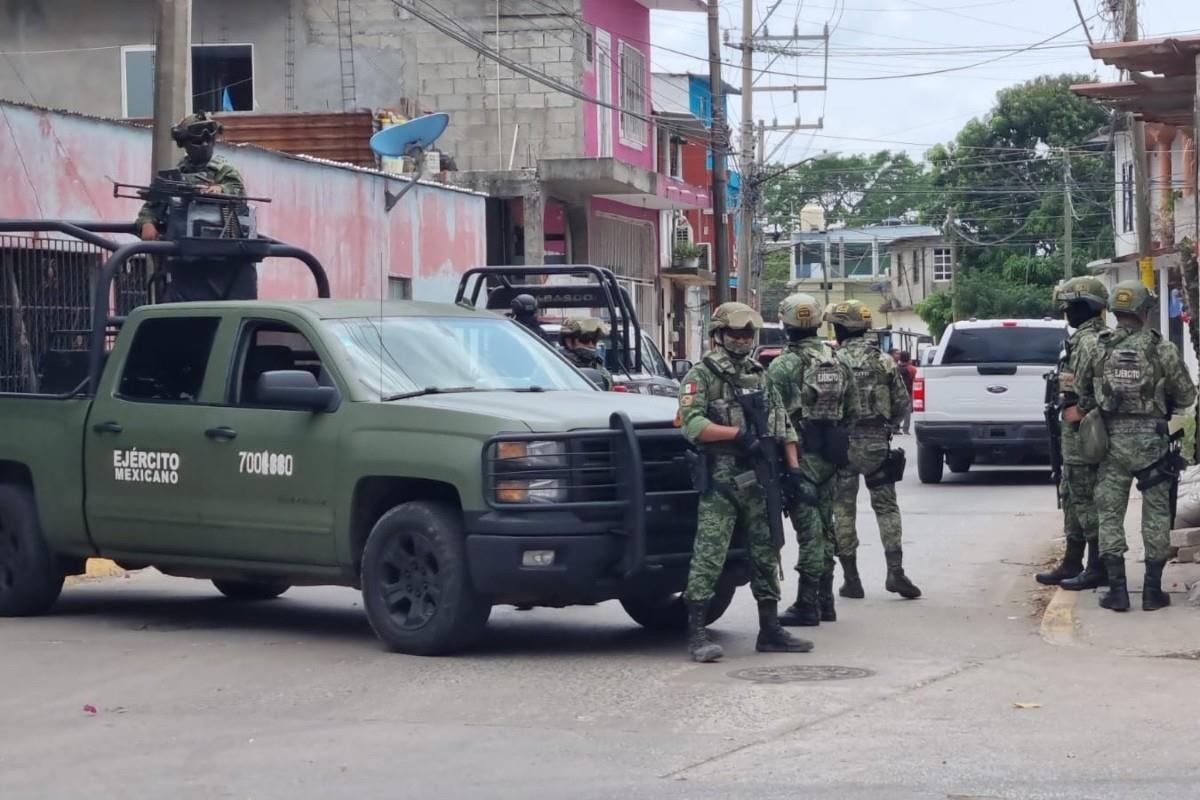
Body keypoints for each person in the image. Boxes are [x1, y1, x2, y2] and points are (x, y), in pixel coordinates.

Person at [678, 302, 813, 662]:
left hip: (760, 476)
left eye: (747, 334)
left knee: (767, 552)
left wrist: (794, 470)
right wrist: (737, 434)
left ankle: (769, 628)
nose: (741, 340)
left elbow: (784, 425)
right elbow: (691, 426)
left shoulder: (760, 374)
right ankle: (696, 633)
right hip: (722, 476)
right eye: (735, 334)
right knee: (710, 554)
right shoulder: (701, 375)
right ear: (719, 336)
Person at [1073, 280, 1196, 612]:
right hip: (1153, 444)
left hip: (1109, 444)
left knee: (1109, 513)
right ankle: (1153, 591)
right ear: (1144, 311)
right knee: (1156, 514)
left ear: (1114, 311)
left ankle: (1118, 591)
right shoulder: (1162, 349)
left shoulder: (1097, 347)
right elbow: (1187, 395)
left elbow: (1083, 395)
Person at [766, 292, 859, 627]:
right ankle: (826, 600)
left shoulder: (782, 365)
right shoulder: (838, 360)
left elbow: (771, 418)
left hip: (798, 458)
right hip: (830, 457)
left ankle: (807, 604)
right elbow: (853, 411)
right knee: (825, 527)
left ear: (785, 324)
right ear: (819, 322)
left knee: (809, 533)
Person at [827, 300, 922, 600]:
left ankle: (851, 579)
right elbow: (902, 403)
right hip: (877, 444)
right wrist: (888, 426)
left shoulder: (831, 361)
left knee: (842, 510)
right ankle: (895, 572)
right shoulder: (884, 361)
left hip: (842, 446)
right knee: (886, 507)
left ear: (841, 328)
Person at [1035, 277, 1110, 590]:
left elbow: (1106, 387)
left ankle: (1097, 565)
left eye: (1070, 306)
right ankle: (1071, 560)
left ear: (1086, 307)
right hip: (1070, 433)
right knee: (1070, 495)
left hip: (1085, 432)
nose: (1066, 312)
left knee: (1085, 499)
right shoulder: (1079, 339)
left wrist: (1082, 408)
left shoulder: (1093, 342)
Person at [136, 112, 253, 302]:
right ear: (185, 143)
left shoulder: (223, 172)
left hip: (220, 261)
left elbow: (239, 193)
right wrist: (146, 224)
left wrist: (220, 189)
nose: (205, 144)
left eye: (210, 138)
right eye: (198, 140)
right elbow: (152, 206)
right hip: (182, 259)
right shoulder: (174, 176)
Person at [560, 318, 613, 390]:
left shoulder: (598, 366)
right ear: (569, 342)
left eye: (594, 340)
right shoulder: (557, 366)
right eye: (585, 339)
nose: (591, 345)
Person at [896, 352, 917, 435]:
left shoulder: (895, 367)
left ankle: (895, 428)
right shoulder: (912, 369)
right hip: (908, 392)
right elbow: (915, 380)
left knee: (897, 410)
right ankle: (906, 429)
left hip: (897, 392)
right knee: (907, 410)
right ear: (909, 359)